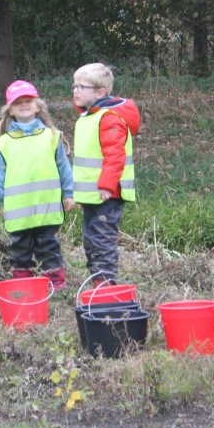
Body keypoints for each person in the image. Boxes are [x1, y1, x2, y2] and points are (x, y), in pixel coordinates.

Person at [0, 80, 74, 290]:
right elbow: (0, 175)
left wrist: (68, 193)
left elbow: (64, 167)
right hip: (19, 210)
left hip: (47, 206)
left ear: (38, 107)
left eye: (28, 101)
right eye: (18, 102)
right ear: (10, 110)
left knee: (49, 246)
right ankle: (23, 286)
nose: (24, 105)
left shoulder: (51, 136)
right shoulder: (5, 142)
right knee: (19, 248)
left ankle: (57, 285)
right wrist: (2, 201)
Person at [71, 63, 141, 286]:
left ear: (100, 92)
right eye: (74, 85)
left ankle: (105, 286)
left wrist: (107, 185)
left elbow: (115, 155)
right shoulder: (87, 117)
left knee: (102, 241)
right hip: (93, 195)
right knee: (90, 241)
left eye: (82, 86)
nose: (75, 90)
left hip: (108, 195)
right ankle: (96, 282)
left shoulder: (108, 118)